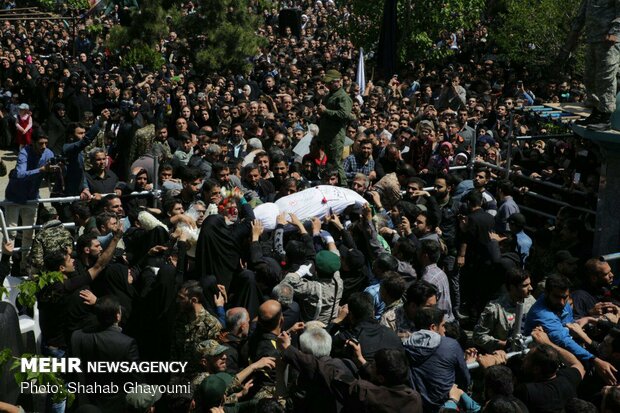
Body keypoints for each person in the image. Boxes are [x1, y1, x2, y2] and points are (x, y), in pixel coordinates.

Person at [524, 274, 618, 385]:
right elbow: (563, 340)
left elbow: (570, 324)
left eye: (565, 297)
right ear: (546, 293)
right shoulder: (541, 314)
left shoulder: (561, 302)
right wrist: (595, 360)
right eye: (557, 297)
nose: (562, 303)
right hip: (544, 366)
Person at [71, 295, 141, 413]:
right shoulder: (127, 343)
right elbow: (136, 379)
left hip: (86, 400)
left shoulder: (77, 336)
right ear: (118, 316)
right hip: (115, 404)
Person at [5, 132, 57, 273]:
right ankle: (5, 264)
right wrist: (40, 170)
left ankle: (24, 265)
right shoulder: (24, 153)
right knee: (11, 232)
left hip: (32, 197)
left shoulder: (48, 153)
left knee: (29, 233)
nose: (44, 147)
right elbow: (21, 174)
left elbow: (53, 170)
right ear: (32, 143)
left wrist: (55, 170)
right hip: (14, 197)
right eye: (41, 143)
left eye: (46, 143)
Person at [403, 306, 471, 413]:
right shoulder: (450, 345)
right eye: (443, 325)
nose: (444, 329)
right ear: (433, 327)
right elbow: (465, 378)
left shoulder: (405, 347)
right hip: (446, 407)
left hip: (416, 406)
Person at [565, 0, 620, 130]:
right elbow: (581, 15)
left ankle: (606, 117)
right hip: (592, 40)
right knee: (590, 77)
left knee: (605, 78)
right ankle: (596, 113)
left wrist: (615, 32)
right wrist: (573, 34)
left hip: (609, 41)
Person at [473, 268, 536, 352]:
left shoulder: (531, 301)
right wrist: (505, 344)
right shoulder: (495, 309)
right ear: (512, 287)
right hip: (504, 354)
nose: (531, 288)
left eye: (530, 284)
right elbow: (478, 336)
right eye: (525, 285)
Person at [317, 70, 353, 185]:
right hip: (328, 133)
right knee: (331, 163)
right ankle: (331, 182)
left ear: (337, 82)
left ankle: (343, 185)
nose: (327, 85)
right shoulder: (331, 95)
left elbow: (344, 114)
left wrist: (326, 111)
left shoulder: (342, 97)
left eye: (330, 82)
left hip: (336, 135)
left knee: (336, 163)